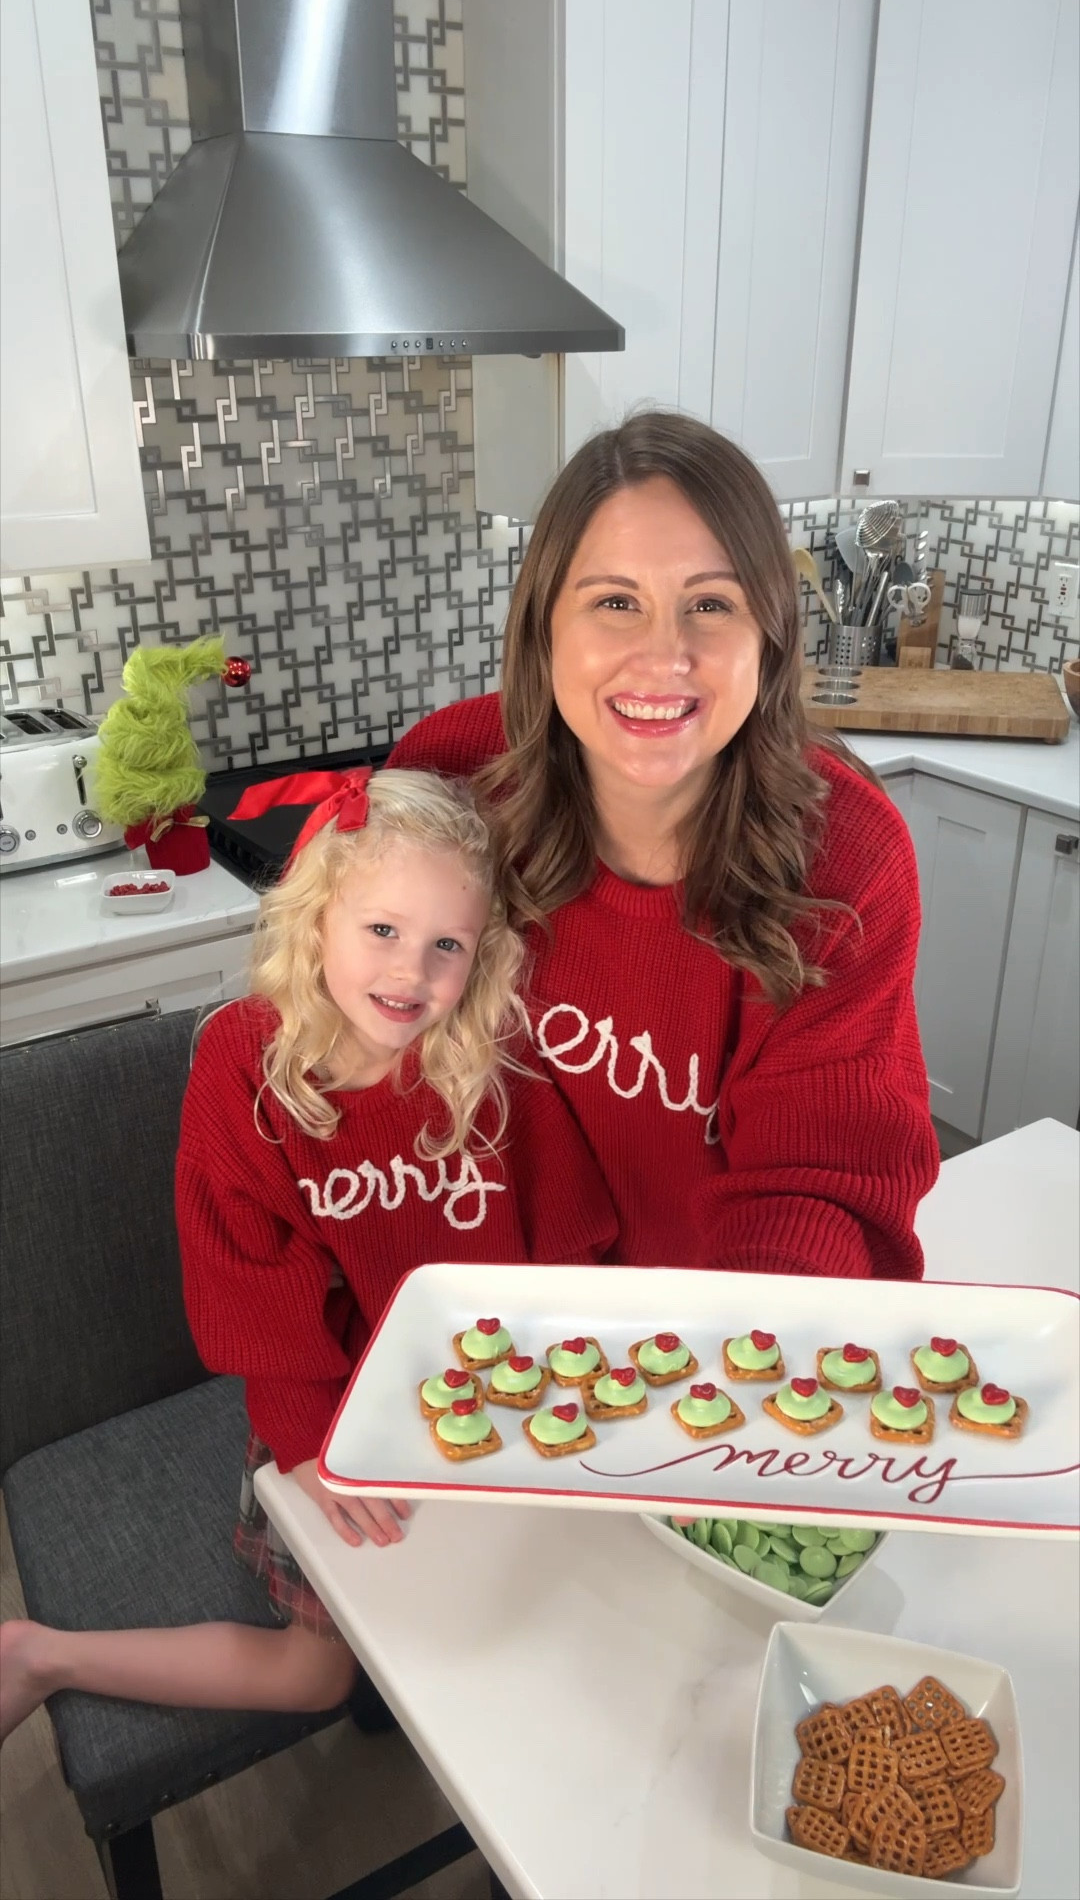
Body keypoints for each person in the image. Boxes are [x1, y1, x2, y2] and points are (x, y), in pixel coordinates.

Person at [0, 768, 616, 1742]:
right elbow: (247, 1290)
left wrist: (565, 1372)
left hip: (493, 1408)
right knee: (316, 1676)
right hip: (332, 1412)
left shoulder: (488, 1055)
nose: (412, 975)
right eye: (382, 930)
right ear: (317, 916)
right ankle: (40, 1654)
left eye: (445, 946)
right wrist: (311, 1442)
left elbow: (566, 1236)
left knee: (528, 1624)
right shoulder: (245, 1066)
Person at [387, 411, 940, 1278]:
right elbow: (356, 1060)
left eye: (710, 605)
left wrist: (733, 1382)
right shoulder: (450, 781)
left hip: (707, 1355)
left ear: (770, 636)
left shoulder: (845, 858)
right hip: (487, 1333)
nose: (663, 655)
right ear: (544, 627)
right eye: (615, 602)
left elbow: (819, 1190)